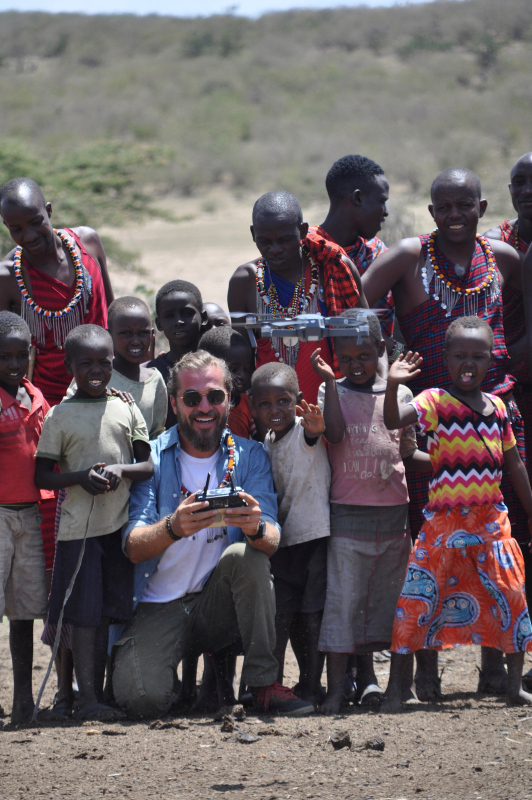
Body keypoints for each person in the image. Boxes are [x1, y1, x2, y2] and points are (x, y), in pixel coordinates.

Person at [361, 166, 528, 699]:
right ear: (432, 211)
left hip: (494, 417)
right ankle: (427, 676)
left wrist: (510, 362)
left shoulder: (502, 258)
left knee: (496, 549)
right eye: (445, 207)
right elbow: (359, 308)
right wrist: (390, 368)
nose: (455, 215)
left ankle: (495, 672)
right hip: (431, 423)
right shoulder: (408, 256)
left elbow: (518, 317)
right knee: (430, 550)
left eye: (465, 205)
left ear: (483, 209)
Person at [111, 350, 315, 719]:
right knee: (142, 700)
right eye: (192, 398)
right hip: (160, 607)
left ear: (229, 400)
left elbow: (271, 540)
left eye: (215, 396)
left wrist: (254, 526)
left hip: (219, 608)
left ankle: (262, 684)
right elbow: (133, 547)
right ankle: (169, 676)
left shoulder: (250, 455)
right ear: (175, 403)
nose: (204, 407)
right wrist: (173, 527)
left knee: (247, 557)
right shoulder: (152, 458)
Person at [382, 317, 532, 711]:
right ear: (446, 358)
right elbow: (393, 421)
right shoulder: (434, 401)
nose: (469, 363)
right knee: (417, 600)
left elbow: (515, 465)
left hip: (490, 523)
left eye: (478, 356)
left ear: (491, 360)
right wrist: (394, 384)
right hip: (444, 523)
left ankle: (513, 687)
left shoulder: (498, 408)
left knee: (511, 596)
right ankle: (397, 690)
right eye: (460, 355)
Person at [34, 324, 153, 722]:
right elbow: (42, 475)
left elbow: (147, 466)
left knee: (104, 613)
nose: (97, 370)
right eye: (86, 363)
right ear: (69, 366)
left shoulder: (126, 408)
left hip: (117, 528)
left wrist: (120, 469)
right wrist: (80, 478)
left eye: (104, 362)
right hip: (78, 533)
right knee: (82, 617)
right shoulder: (59, 416)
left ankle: (96, 696)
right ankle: (85, 699)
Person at [310, 311, 428, 713]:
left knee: (396, 605)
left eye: (364, 356)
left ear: (380, 348)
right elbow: (336, 434)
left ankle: (400, 689)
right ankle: (335, 692)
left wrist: (449, 463)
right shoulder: (330, 390)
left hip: (394, 519)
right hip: (347, 517)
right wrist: (330, 381)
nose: (355, 366)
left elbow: (408, 452)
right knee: (343, 605)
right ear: (335, 356)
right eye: (346, 359)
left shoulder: (402, 393)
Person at [0, 177, 112, 583]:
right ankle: (58, 608)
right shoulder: (8, 276)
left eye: (35, 222)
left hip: (106, 391)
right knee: (57, 505)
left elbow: (111, 312)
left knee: (110, 486)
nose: (29, 235)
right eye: (16, 229)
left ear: (49, 211)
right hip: (50, 409)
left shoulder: (88, 244)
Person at [228, 190, 367, 405]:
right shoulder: (244, 281)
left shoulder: (332, 269)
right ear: (253, 233)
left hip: (334, 407)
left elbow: (367, 337)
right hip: (273, 413)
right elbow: (241, 361)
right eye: (265, 241)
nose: (275, 249)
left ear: (302, 231)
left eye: (284, 240)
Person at [249, 362, 330, 707]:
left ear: (297, 399)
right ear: (253, 407)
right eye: (265, 404)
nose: (275, 410)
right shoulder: (266, 443)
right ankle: (272, 685)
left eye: (283, 401)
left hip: (314, 537)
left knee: (312, 616)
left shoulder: (303, 430)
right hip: (282, 542)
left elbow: (313, 435)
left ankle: (311, 685)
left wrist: (316, 427)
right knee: (281, 615)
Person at [0, 312, 49, 723]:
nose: (15, 364)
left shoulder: (36, 397)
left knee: (24, 612)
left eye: (22, 355)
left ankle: (23, 702)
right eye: (5, 357)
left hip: (29, 517)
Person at [310, 154, 395, 338]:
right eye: (382, 202)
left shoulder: (378, 253)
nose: (386, 212)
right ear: (358, 198)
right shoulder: (308, 251)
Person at [147, 279, 207, 429]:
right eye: (169, 316)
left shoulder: (217, 368)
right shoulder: (150, 374)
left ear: (203, 317)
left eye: (187, 313)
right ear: (159, 324)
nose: (178, 321)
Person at [200, 325, 256, 439]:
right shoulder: (201, 404)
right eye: (233, 369)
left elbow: (261, 440)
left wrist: (257, 417)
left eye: (246, 368)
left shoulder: (247, 402)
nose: (242, 376)